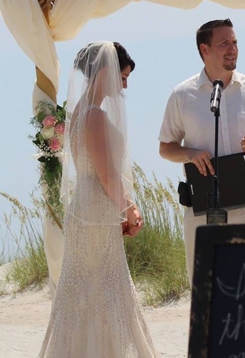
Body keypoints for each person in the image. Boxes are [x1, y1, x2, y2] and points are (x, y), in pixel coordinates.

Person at [39, 42, 157, 357]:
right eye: (123, 76)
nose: (125, 84)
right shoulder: (93, 116)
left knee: (87, 289)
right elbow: (107, 176)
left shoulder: (80, 111)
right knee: (105, 288)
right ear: (105, 71)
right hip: (96, 208)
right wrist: (130, 211)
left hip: (88, 209)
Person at [159, 19, 245, 283]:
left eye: (235, 42)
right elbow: (166, 148)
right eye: (224, 43)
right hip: (205, 207)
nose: (232, 49)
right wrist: (190, 154)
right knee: (206, 286)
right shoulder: (182, 95)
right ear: (204, 50)